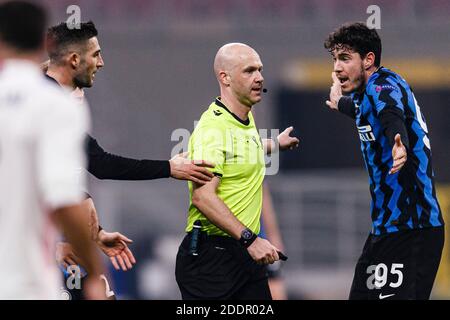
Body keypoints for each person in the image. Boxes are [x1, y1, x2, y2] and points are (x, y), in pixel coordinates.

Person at [324, 22, 444, 300]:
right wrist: (339, 103)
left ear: (369, 60)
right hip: (387, 230)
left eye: (345, 58)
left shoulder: (383, 84)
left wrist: (397, 141)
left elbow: (390, 113)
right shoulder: (365, 96)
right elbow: (361, 109)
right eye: (334, 60)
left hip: (412, 229)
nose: (337, 68)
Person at [175, 43, 299, 300]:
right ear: (225, 77)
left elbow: (241, 149)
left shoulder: (243, 117)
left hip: (243, 255)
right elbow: (203, 197)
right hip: (211, 261)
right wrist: (251, 240)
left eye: (260, 70)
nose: (259, 77)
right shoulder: (213, 130)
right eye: (249, 71)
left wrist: (275, 144)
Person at [0, 1, 105, 299]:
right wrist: (95, 270)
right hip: (25, 282)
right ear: (44, 43)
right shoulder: (55, 104)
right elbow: (63, 199)